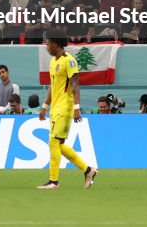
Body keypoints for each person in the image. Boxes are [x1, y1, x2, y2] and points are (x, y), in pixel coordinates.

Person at [37, 32, 98, 190]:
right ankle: (88, 170)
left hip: (65, 108)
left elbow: (75, 85)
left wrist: (77, 108)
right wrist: (44, 106)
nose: (47, 46)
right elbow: (53, 85)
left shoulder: (69, 61)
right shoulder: (52, 62)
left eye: (48, 43)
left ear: (55, 44)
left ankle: (53, 181)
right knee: (59, 144)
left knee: (53, 142)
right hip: (54, 108)